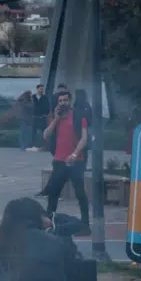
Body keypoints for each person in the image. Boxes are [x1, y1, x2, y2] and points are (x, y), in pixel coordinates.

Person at [42, 89, 91, 235]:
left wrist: (75, 154)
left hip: (76, 161)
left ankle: (85, 225)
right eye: (60, 101)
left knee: (80, 193)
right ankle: (49, 223)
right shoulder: (56, 118)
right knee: (53, 193)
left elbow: (84, 139)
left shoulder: (79, 116)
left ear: (70, 101)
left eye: (66, 100)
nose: (63, 103)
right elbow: (46, 136)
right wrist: (56, 119)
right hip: (59, 161)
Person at [30, 83, 50, 150]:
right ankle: (32, 145)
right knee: (33, 132)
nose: (41, 90)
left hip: (42, 117)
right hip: (34, 117)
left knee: (44, 131)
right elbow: (29, 106)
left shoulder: (45, 98)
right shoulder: (33, 97)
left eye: (42, 89)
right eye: (40, 89)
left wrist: (46, 113)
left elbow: (48, 107)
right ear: (37, 89)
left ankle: (44, 145)